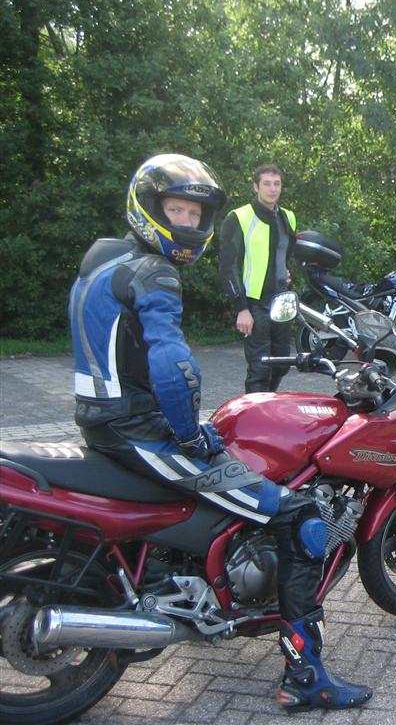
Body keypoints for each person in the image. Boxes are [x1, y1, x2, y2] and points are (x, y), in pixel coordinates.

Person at [70, 154, 373, 711]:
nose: (187, 223)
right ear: (148, 208)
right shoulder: (153, 272)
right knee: (299, 516)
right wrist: (190, 434)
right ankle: (306, 677)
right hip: (140, 432)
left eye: (194, 214)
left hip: (103, 424)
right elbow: (173, 366)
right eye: (176, 211)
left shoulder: (103, 260)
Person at [219, 164, 297, 393]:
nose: (272, 189)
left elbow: (288, 254)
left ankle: (268, 403)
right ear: (256, 186)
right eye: (266, 184)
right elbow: (227, 267)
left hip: (281, 301)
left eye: (277, 184)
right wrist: (241, 308)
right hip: (254, 302)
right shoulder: (239, 217)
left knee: (282, 364)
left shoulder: (288, 217)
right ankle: (255, 409)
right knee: (260, 368)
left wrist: (288, 273)